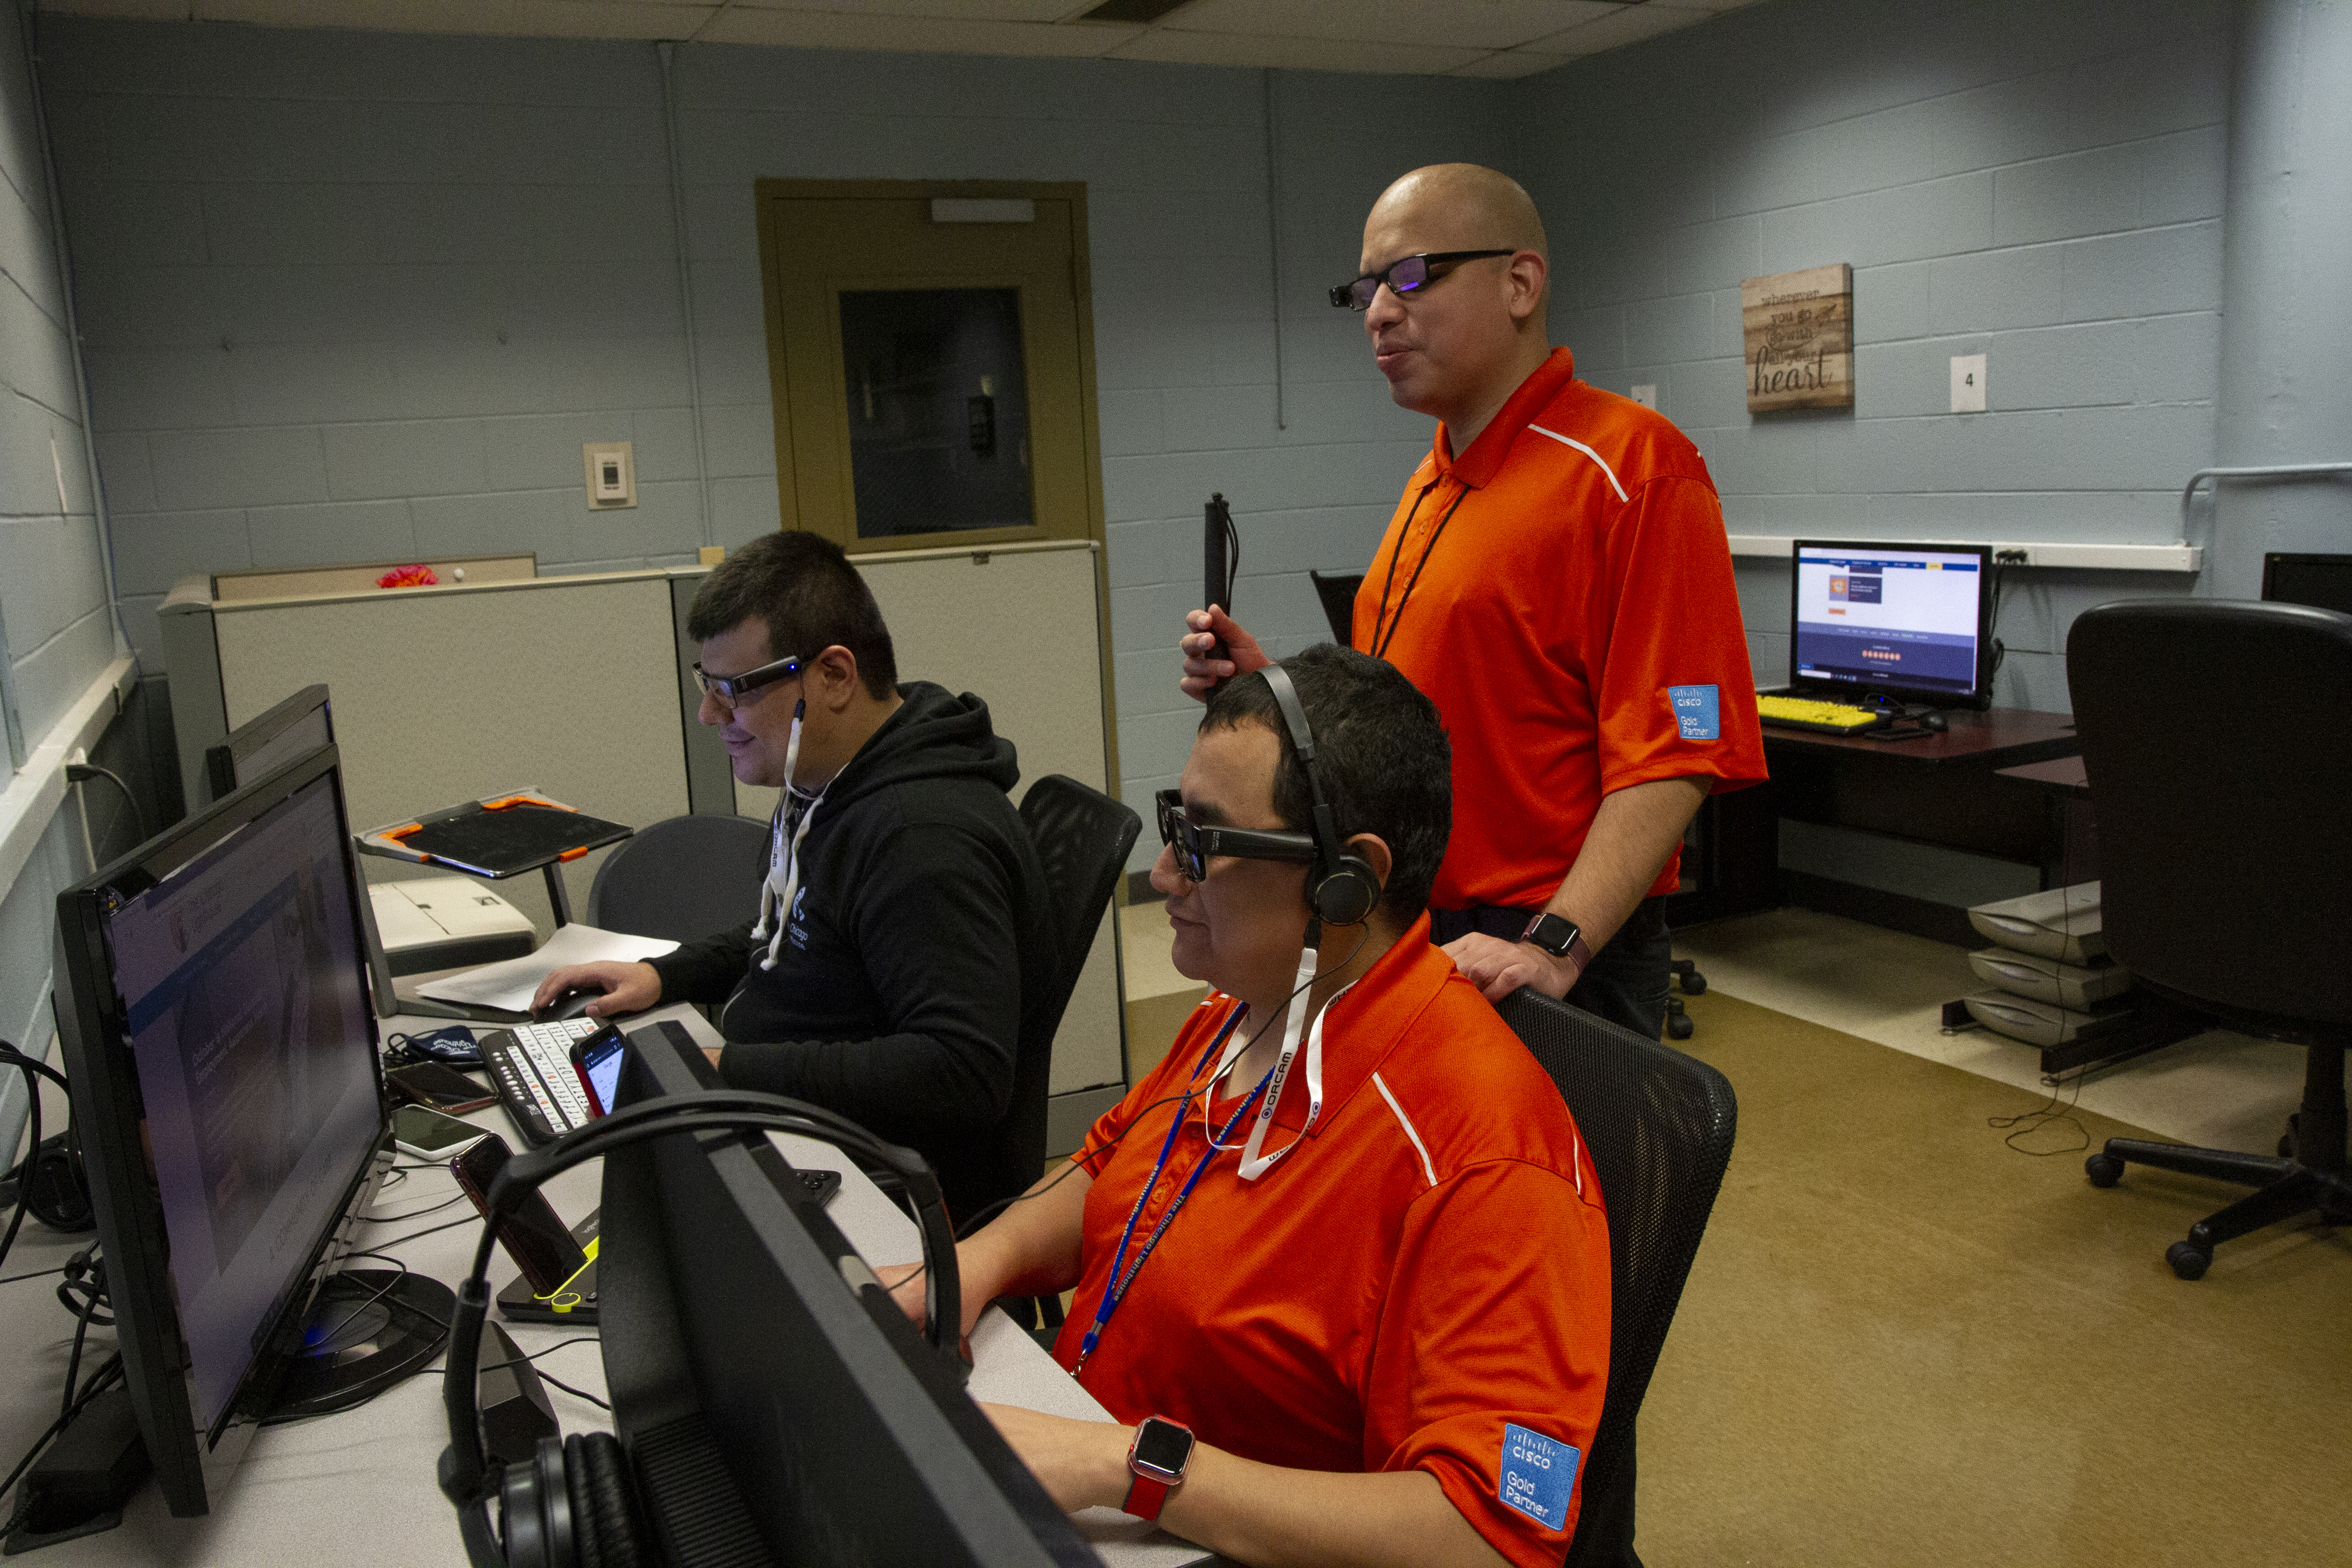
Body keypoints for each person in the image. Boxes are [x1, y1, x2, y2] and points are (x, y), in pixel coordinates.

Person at [895, 646, 1609, 1568]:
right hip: (1070, 1475)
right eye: (1171, 825)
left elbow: (1488, 1536)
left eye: (1202, 841)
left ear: (1346, 879)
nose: (1160, 876)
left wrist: (1131, 1466)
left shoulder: (1490, 1159)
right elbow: (1113, 1164)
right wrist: (967, 1267)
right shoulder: (1252, 1008)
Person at [1182, 162, 1767, 1039]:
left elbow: (1678, 752)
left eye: (1411, 277)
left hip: (1543, 942)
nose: (1379, 310)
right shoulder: (1435, 475)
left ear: (1520, 283)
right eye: (1366, 289)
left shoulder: (1637, 472)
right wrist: (1270, 685)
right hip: (1418, 920)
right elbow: (1419, 710)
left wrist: (1556, 947)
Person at [531, 530, 1053, 1225]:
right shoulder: (833, 777)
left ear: (834, 677)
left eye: (734, 690)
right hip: (789, 1120)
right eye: (706, 685)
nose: (709, 714)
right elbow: (791, 928)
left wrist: (725, 1072)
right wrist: (669, 975)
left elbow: (961, 1072)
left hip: (871, 1184)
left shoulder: (920, 838)